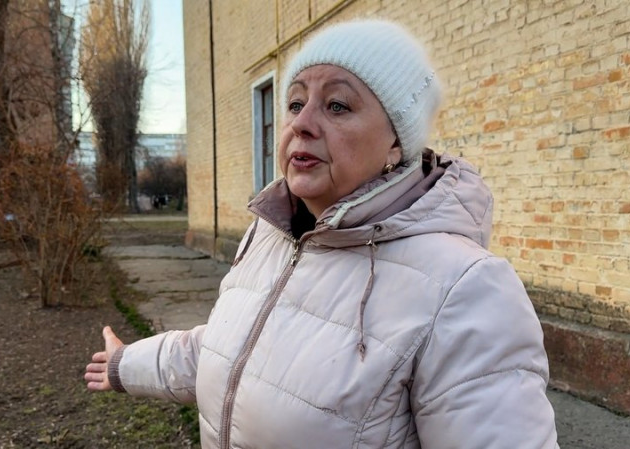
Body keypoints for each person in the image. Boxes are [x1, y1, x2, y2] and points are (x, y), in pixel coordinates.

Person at [86, 18, 559, 448]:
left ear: (397, 142)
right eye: (295, 103)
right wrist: (127, 364)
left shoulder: (466, 289)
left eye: (336, 105)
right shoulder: (271, 234)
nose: (301, 123)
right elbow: (232, 353)